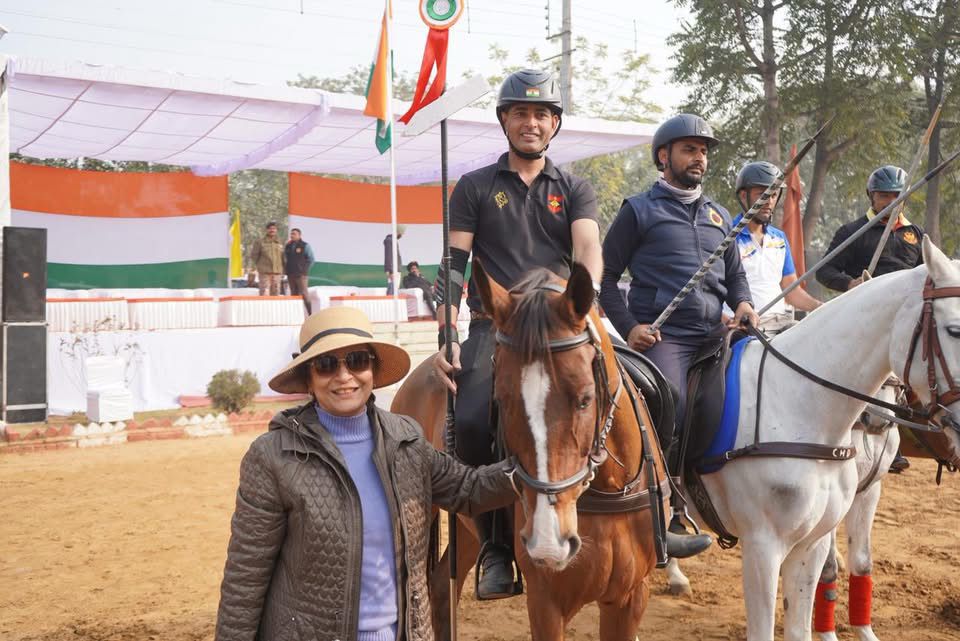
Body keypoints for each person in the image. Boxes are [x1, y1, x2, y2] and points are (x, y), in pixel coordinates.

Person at [215, 306, 517, 641]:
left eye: (357, 361)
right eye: (326, 365)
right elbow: (245, 577)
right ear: (308, 379)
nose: (344, 376)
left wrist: (534, 469)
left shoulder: (406, 440)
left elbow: (469, 489)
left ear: (372, 370)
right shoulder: (271, 456)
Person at [599, 113, 759, 541]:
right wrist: (630, 327)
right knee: (673, 402)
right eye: (689, 149)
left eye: (703, 151)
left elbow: (735, 276)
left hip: (716, 334)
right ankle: (667, 503)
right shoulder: (638, 210)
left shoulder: (720, 215)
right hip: (667, 337)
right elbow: (606, 278)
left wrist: (743, 303)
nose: (699, 158)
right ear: (663, 156)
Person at [817, 164, 923, 472]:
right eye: (883, 196)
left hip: (905, 320)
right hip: (863, 318)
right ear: (871, 197)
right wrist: (850, 283)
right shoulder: (853, 232)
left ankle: (899, 444)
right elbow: (824, 271)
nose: (890, 202)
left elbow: (928, 273)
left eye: (896, 196)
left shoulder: (915, 235)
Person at [728, 161, 822, 333]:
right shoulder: (727, 237)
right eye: (762, 195)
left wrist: (820, 307)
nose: (769, 202)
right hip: (743, 326)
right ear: (743, 195)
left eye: (773, 195)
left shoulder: (779, 238)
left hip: (782, 324)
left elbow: (791, 291)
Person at [284, 227, 315, 313]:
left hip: (301, 275)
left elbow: (311, 259)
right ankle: (295, 314)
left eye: (294, 234)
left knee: (304, 294)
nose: (292, 235)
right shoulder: (288, 246)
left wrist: (304, 270)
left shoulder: (305, 245)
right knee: (294, 294)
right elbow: (285, 258)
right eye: (291, 234)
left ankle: (310, 314)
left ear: (299, 235)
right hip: (291, 274)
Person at [251, 221, 284, 296]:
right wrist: (260, 266)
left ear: (276, 230)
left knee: (276, 293)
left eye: (274, 228)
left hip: (277, 273)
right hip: (264, 273)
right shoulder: (260, 242)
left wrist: (283, 270)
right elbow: (254, 255)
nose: (272, 230)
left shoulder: (279, 242)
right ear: (267, 230)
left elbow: (283, 257)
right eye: (270, 228)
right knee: (264, 293)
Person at [383, 225, 405, 295]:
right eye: (402, 233)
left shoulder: (392, 240)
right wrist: (390, 271)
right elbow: (388, 256)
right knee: (392, 291)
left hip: (395, 269)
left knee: (394, 290)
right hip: (394, 270)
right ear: (399, 232)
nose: (402, 235)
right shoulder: (390, 241)